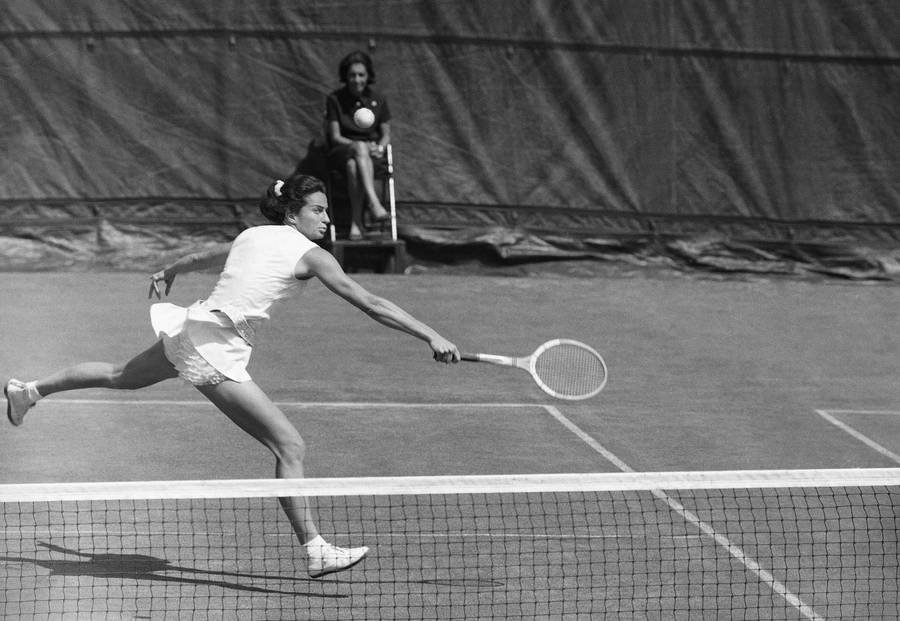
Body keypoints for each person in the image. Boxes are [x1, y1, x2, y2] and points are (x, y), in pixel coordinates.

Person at [4, 173, 460, 578]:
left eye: (327, 211)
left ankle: (29, 391)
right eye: (318, 211)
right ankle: (316, 549)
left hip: (190, 330)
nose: (326, 219)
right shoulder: (312, 255)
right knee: (289, 446)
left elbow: (203, 257)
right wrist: (431, 334)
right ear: (293, 214)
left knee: (120, 374)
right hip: (214, 348)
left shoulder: (252, 235)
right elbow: (371, 303)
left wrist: (169, 269)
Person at [325, 50, 392, 240]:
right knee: (358, 150)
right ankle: (373, 203)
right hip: (342, 151)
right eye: (352, 75)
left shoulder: (379, 99)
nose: (357, 79)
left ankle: (356, 223)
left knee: (353, 166)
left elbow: (386, 135)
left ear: (368, 76)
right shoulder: (334, 99)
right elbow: (335, 136)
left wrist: (379, 148)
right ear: (346, 76)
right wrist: (360, 146)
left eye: (361, 75)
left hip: (369, 157)